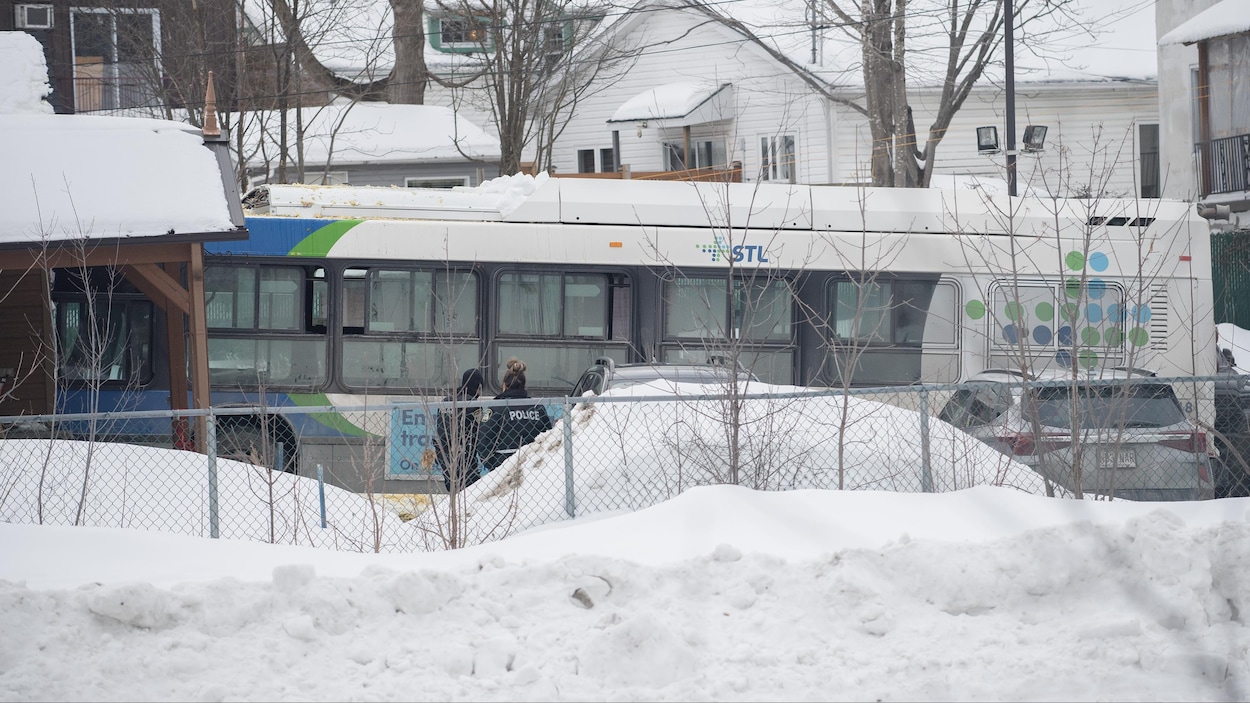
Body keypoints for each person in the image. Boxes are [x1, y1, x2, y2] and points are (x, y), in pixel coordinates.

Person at [477, 357, 553, 471]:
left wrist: (493, 465)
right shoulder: (537, 408)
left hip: (503, 466)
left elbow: (483, 439)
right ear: (523, 385)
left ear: (504, 386)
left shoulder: (497, 408)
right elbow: (548, 437)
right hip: (532, 467)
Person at [434, 368, 485, 492]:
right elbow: (479, 431)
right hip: (465, 457)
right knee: (471, 491)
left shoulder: (446, 401)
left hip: (445, 456)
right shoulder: (473, 404)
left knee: (454, 490)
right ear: (477, 386)